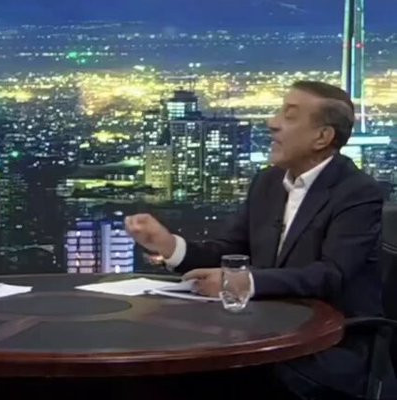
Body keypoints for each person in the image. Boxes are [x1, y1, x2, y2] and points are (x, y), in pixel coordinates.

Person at [126, 80, 394, 399]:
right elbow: (231, 252)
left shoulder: (357, 192)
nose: (272, 123)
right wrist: (170, 246)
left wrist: (244, 283)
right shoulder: (268, 182)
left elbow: (330, 274)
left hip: (327, 346)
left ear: (322, 137)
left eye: (289, 116)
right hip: (265, 330)